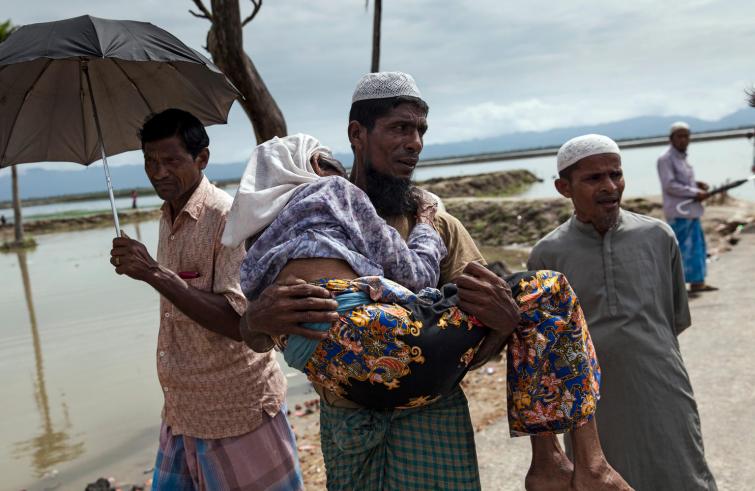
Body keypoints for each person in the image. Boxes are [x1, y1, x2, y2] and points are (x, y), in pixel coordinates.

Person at [239, 73, 623, 490]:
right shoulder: (309, 217)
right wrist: (256, 319)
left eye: (421, 130)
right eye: (400, 128)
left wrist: (505, 322)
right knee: (546, 295)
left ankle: (557, 462)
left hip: (433, 420)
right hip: (348, 430)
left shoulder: (439, 226)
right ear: (357, 133)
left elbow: (475, 341)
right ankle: (567, 464)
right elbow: (260, 338)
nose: (415, 143)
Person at [108, 109, 302, 491]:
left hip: (235, 408)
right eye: (150, 161)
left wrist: (154, 273)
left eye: (171, 160)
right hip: (182, 407)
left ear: (202, 159)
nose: (158, 172)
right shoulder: (169, 215)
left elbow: (242, 324)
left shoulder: (228, 217)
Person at [528, 134, 717, 491]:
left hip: (662, 385)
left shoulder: (659, 237)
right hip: (592, 407)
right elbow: (548, 350)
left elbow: (673, 318)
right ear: (563, 187)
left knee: (682, 473)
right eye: (594, 178)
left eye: (616, 174)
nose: (610, 186)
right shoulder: (547, 256)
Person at [657, 122, 717, 293]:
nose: (684, 140)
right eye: (680, 136)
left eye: (686, 136)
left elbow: (682, 181)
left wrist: (697, 185)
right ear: (671, 139)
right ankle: (678, 289)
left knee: (698, 248)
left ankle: (698, 282)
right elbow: (669, 185)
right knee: (683, 250)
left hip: (691, 211)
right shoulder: (665, 158)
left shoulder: (681, 157)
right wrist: (694, 192)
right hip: (679, 212)